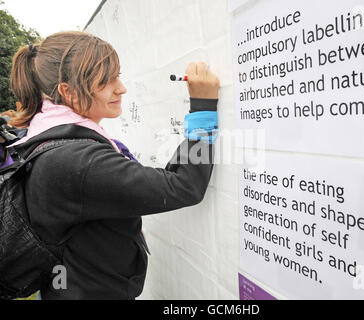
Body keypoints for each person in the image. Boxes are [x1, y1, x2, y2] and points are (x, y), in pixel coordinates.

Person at [8, 31, 220, 300]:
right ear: (67, 91)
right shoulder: (76, 160)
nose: (121, 88)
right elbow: (184, 186)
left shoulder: (51, 137)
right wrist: (203, 109)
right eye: (106, 81)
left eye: (117, 75)